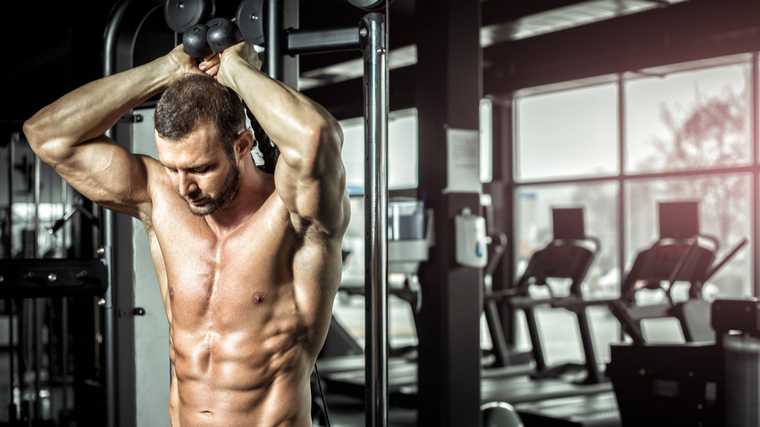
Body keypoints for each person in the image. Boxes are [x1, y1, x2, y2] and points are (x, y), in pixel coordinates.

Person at [23, 41, 350, 426]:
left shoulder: (294, 215)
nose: (183, 187)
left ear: (242, 145)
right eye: (172, 167)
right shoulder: (160, 197)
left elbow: (316, 137)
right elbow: (46, 136)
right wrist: (166, 69)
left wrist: (237, 72)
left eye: (199, 168)